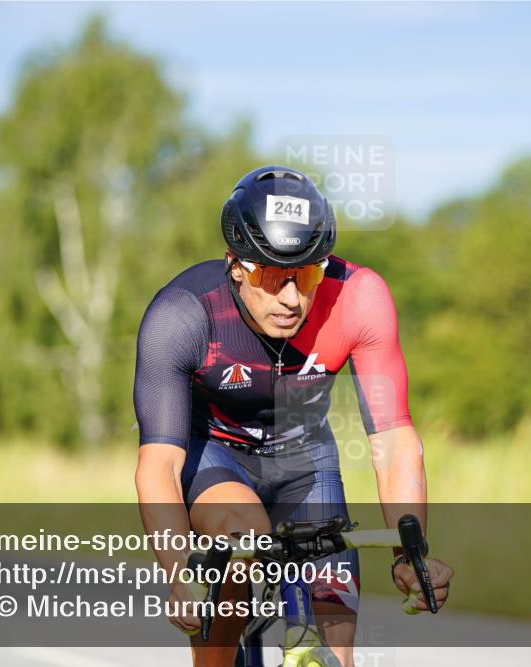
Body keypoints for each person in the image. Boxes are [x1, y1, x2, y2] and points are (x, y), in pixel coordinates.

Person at [134, 165, 453, 666]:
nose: (290, 297)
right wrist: (180, 575)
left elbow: (393, 442)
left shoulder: (359, 299)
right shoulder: (182, 314)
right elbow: (159, 466)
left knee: (332, 649)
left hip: (305, 457)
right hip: (216, 453)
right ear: (235, 264)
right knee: (238, 544)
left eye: (306, 273)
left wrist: (409, 554)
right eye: (270, 273)